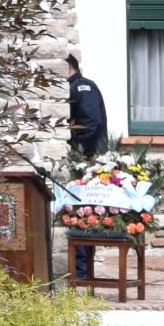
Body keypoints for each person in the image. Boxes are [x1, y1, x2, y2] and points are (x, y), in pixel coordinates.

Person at [65, 54, 108, 283]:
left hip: (86, 162)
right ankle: (80, 269)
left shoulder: (82, 87)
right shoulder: (77, 86)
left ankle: (81, 270)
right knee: (78, 212)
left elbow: (91, 123)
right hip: (83, 160)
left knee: (81, 210)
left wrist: (77, 151)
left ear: (67, 68)